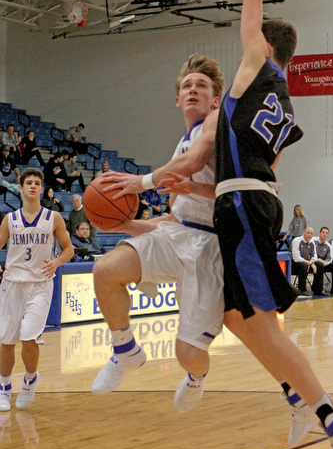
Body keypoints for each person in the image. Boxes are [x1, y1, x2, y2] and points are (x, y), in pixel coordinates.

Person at [210, 0, 333, 449]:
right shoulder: (287, 103)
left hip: (244, 201)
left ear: (264, 44)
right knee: (234, 315)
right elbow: (269, 160)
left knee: (256, 313)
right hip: (251, 196)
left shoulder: (256, 64)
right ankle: (298, 397)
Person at [90, 54, 225, 416]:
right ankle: (125, 351)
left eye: (202, 85)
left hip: (208, 247)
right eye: (187, 85)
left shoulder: (215, 123)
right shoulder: (182, 143)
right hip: (177, 236)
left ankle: (198, 376)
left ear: (215, 99)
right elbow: (176, 219)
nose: (193, 89)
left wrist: (142, 182)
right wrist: (127, 225)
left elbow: (197, 166)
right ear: (177, 100)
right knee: (105, 270)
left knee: (189, 356)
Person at [0, 168, 74, 411]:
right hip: (12, 284)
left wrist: (56, 262)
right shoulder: (9, 220)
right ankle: (4, 387)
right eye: (28, 183)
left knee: (28, 338)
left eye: (36, 183)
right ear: (19, 188)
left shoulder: (54, 218)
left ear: (42, 189)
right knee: (6, 341)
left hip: (40, 285)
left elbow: (69, 249)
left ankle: (30, 380)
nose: (32, 186)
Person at [291, 227, 325, 296]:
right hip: (293, 265)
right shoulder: (296, 241)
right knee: (304, 265)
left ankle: (317, 289)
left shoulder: (312, 242)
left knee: (320, 264)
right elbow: (296, 258)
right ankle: (302, 290)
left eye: (311, 233)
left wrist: (311, 262)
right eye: (308, 233)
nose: (309, 235)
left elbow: (314, 256)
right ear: (303, 232)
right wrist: (310, 263)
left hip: (306, 264)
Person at [313, 226, 333, 295]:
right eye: (323, 232)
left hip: (323, 263)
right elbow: (311, 253)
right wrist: (317, 259)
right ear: (319, 233)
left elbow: (329, 258)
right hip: (313, 262)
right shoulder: (313, 241)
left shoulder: (328, 245)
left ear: (328, 235)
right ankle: (318, 289)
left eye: (326, 233)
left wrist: (325, 262)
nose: (324, 234)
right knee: (320, 264)